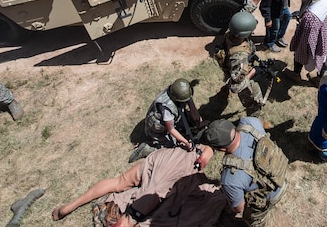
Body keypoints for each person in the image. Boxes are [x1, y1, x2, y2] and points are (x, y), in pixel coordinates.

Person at [52, 146, 225, 226]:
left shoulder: (195, 151)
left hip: (161, 160)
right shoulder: (190, 180)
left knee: (118, 182)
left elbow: (206, 148)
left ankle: (68, 207)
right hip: (159, 186)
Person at [201, 117, 288, 227]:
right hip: (282, 172)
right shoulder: (249, 122)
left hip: (273, 195)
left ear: (221, 149)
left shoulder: (229, 178)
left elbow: (239, 208)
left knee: (251, 219)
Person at [211, 11, 271, 120]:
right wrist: (253, 71)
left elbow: (243, 15)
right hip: (240, 77)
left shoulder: (231, 33)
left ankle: (224, 90)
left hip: (229, 67)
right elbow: (236, 85)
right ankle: (252, 122)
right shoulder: (240, 56)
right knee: (255, 103)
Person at [129, 78, 205, 162]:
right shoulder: (167, 108)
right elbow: (171, 129)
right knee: (171, 148)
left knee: (188, 123)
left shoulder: (180, 93)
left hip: (170, 119)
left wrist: (199, 122)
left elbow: (192, 106)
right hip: (157, 127)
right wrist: (186, 142)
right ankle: (147, 149)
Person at [288, 0, 327, 84]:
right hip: (322, 36)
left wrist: (303, 48)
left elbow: (307, 39)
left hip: (308, 39)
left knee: (300, 54)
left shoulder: (310, 16)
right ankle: (320, 78)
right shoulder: (326, 1)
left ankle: (296, 74)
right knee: (322, 56)